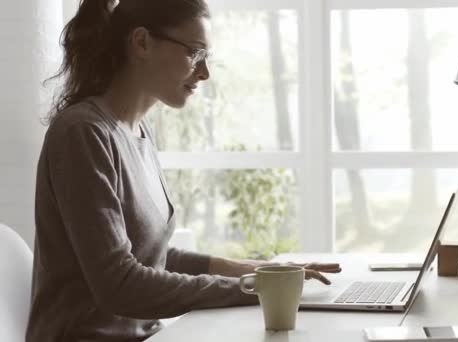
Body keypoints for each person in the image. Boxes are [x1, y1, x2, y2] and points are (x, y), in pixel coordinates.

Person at [26, 0, 341, 341]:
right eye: (195, 53)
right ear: (142, 43)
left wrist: (260, 271)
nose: (204, 73)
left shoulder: (139, 132)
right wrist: (252, 287)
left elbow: (154, 257)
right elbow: (120, 285)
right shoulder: (83, 133)